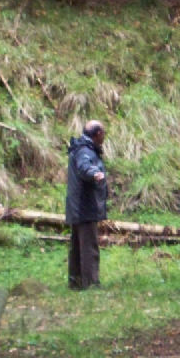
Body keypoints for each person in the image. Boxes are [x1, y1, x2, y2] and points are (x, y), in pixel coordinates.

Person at [65, 120, 108, 290]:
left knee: (77, 246)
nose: (104, 136)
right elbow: (84, 167)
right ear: (98, 134)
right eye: (103, 133)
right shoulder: (85, 151)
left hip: (77, 205)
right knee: (89, 246)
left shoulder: (79, 148)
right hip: (85, 205)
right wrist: (95, 174)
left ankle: (75, 281)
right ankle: (91, 283)